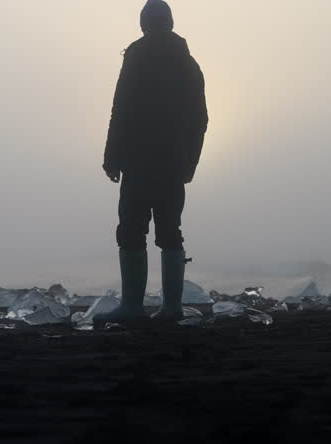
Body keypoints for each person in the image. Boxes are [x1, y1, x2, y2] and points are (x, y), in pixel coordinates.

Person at [95, 0, 208, 324]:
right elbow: (200, 119)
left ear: (144, 24)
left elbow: (121, 110)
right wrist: (191, 161)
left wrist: (111, 158)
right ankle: (171, 307)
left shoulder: (137, 57)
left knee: (131, 229)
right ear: (169, 23)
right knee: (170, 230)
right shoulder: (189, 64)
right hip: (173, 159)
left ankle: (133, 306)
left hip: (139, 158)